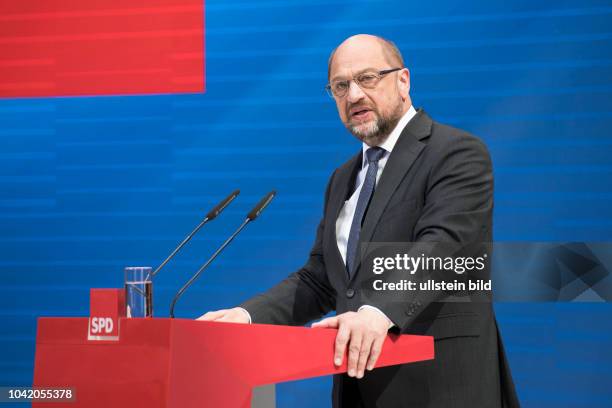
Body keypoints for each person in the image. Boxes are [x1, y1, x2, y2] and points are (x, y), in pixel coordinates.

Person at [199, 34, 519, 408]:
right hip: (360, 388)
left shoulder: (455, 153)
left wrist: (377, 312)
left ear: (403, 81)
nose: (353, 96)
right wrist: (248, 317)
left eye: (367, 79)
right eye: (340, 86)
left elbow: (442, 249)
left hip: (440, 386)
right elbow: (319, 281)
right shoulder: (343, 177)